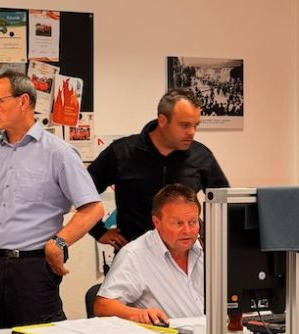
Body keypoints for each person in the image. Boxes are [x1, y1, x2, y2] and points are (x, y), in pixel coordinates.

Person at [0, 71, 104, 328]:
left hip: (33, 268)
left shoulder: (58, 153)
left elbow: (93, 209)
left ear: (23, 101)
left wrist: (59, 242)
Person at [86, 88, 229, 250]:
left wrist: (209, 237)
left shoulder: (201, 156)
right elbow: (81, 191)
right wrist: (98, 231)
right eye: (184, 125)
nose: (192, 132)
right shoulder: (121, 152)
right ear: (162, 120)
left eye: (195, 125)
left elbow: (225, 202)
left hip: (186, 258)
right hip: (134, 258)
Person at [94, 184, 205, 324]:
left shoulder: (207, 249)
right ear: (157, 222)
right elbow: (103, 306)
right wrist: (137, 314)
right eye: (178, 223)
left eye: (193, 222)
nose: (187, 230)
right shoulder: (135, 255)